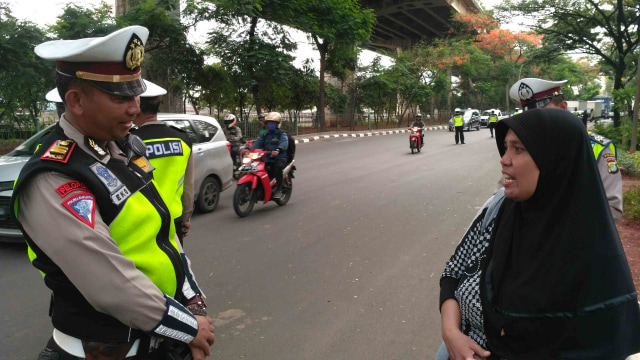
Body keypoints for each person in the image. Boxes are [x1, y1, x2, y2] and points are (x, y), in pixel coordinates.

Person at [10, 26, 215, 359]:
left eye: (136, 95)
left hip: (156, 339)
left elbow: (160, 230)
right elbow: (112, 285)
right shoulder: (54, 175)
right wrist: (189, 327)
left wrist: (191, 295)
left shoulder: (120, 148)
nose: (135, 108)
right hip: (104, 349)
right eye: (121, 98)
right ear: (75, 101)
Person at [438, 109, 640, 360]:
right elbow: (453, 272)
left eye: (518, 149)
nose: (504, 159)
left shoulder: (592, 255)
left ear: (553, 159)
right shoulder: (499, 209)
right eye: (505, 147)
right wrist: (451, 334)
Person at [509, 77, 622, 221]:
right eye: (528, 118)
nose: (535, 124)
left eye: (542, 115)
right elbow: (502, 195)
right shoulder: (522, 148)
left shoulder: (596, 149)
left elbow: (613, 208)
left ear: (563, 107)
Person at [131, 80, 194, 246]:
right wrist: (186, 216)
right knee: (176, 265)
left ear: (136, 106)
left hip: (142, 223)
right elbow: (188, 184)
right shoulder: (182, 139)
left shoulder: (129, 143)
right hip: (174, 219)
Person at [249, 112, 288, 199]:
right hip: (267, 157)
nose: (271, 125)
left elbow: (284, 144)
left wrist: (278, 150)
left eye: (273, 123)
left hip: (279, 157)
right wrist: (248, 149)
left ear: (277, 124)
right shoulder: (265, 134)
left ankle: (279, 189)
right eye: (269, 123)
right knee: (257, 168)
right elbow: (257, 144)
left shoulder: (281, 134)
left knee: (277, 168)